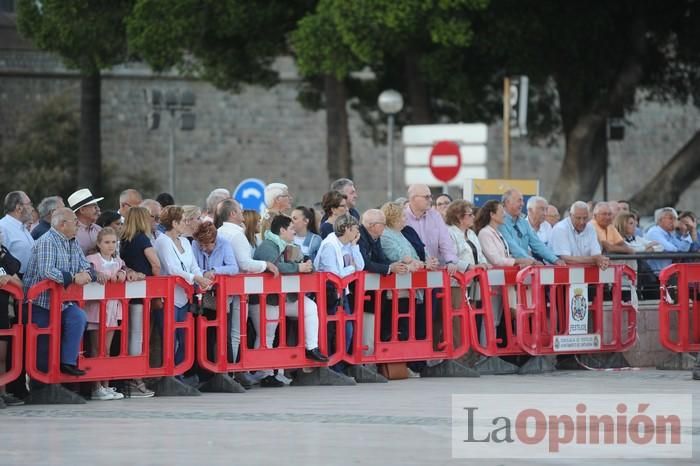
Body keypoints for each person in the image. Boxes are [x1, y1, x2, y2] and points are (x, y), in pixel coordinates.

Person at [23, 208, 93, 377]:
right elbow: (47, 271)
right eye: (75, 221)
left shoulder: (73, 241)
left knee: (78, 317)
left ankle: (66, 363)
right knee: (44, 343)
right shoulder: (48, 241)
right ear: (63, 224)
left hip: (62, 302)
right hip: (39, 303)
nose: (78, 225)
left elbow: (85, 265)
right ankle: (41, 381)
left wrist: (88, 273)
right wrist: (74, 277)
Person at [252, 215, 328, 366]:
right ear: (282, 230)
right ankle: (262, 372)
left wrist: (307, 265)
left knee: (310, 307)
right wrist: (299, 267)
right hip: (265, 301)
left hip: (280, 299)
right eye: (292, 228)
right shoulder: (268, 246)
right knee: (267, 335)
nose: (295, 231)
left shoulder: (286, 245)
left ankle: (311, 348)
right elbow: (274, 267)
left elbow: (303, 262)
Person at [154, 206, 213, 366]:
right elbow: (172, 268)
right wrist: (195, 278)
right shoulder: (162, 241)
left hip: (184, 297)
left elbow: (193, 265)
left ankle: (180, 373)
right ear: (174, 223)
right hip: (169, 298)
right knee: (170, 339)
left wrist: (200, 277)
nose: (185, 223)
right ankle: (170, 375)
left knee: (185, 339)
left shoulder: (185, 241)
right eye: (182, 221)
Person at [314, 214, 364, 370]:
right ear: (347, 229)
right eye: (356, 228)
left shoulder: (348, 245)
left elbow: (360, 266)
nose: (358, 231)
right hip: (329, 294)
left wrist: (355, 246)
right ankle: (331, 366)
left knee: (347, 330)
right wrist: (351, 268)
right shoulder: (330, 245)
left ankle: (339, 367)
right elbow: (333, 274)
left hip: (342, 293)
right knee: (333, 331)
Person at [84, 227, 128, 401]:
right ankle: (96, 386)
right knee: (96, 348)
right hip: (96, 310)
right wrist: (95, 274)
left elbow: (125, 268)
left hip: (112, 309)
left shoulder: (118, 260)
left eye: (113, 242)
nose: (111, 246)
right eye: (107, 242)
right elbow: (86, 271)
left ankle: (106, 385)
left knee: (107, 349)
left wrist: (124, 273)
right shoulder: (91, 260)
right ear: (99, 243)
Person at [120, 206, 159, 398]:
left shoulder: (124, 240)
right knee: (138, 335)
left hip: (128, 293)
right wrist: (158, 284)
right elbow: (155, 263)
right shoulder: (142, 239)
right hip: (142, 291)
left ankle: (130, 376)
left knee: (131, 334)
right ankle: (135, 378)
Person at [499, 189, 564, 265]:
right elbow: (513, 247)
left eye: (522, 201)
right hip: (509, 269)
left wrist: (555, 260)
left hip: (526, 268)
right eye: (519, 201)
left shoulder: (524, 223)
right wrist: (533, 261)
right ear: (507, 202)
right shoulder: (500, 222)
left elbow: (537, 244)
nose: (522, 204)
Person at [403, 184, 459, 274]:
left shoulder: (435, 216)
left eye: (430, 196)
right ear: (413, 198)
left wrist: (451, 261)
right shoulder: (402, 217)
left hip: (434, 272)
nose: (430, 200)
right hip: (410, 273)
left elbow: (445, 241)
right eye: (426, 197)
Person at [549, 201, 610, 268]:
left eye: (585, 218)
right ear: (570, 215)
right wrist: (595, 259)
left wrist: (600, 260)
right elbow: (565, 259)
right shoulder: (560, 228)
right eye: (578, 218)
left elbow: (597, 254)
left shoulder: (590, 227)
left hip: (581, 273)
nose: (582, 222)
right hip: (560, 274)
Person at [475, 200, 535, 268]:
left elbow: (505, 256)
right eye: (501, 212)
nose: (504, 215)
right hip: (492, 275)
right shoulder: (484, 234)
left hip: (502, 274)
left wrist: (521, 263)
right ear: (492, 215)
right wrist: (518, 261)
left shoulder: (498, 232)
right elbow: (496, 260)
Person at [0, 233, 23, 407]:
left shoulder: (3, 252)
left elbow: (15, 270)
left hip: (3, 310)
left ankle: (3, 391)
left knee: (2, 354)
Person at [645, 207, 692, 276]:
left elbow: (684, 249)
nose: (674, 221)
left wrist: (685, 232)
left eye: (675, 219)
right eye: (670, 218)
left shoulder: (669, 233)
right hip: (655, 275)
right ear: (660, 220)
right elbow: (671, 249)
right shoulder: (654, 232)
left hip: (666, 274)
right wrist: (677, 249)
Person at [445, 200, 490, 272]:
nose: (473, 216)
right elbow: (451, 258)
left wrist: (484, 264)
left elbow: (480, 254)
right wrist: (470, 267)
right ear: (459, 217)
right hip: (457, 280)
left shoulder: (471, 233)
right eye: (470, 214)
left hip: (475, 278)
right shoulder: (449, 233)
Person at [0, 191, 35, 275]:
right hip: (14, 284)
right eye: (29, 204)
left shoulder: (22, 227)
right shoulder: (2, 227)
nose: (32, 208)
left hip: (30, 284)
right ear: (19, 208)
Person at [68, 188, 104, 255]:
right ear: (82, 210)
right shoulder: (69, 232)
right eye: (95, 207)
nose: (98, 209)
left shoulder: (99, 230)